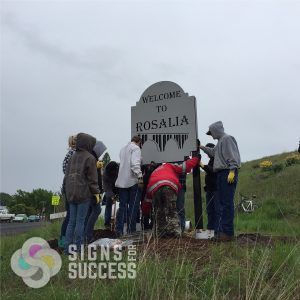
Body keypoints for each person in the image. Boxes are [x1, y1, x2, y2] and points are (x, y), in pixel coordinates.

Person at [200, 121, 241, 241]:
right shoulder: (220, 142)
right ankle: (222, 232)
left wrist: (232, 170)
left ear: (216, 130)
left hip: (226, 173)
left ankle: (227, 233)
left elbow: (232, 156)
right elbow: (213, 152)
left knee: (226, 203)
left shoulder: (227, 139)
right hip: (221, 174)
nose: (211, 135)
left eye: (211, 132)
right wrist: (201, 147)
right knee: (222, 203)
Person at [145, 156, 200, 238]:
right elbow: (185, 167)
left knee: (159, 212)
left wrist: (145, 211)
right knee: (172, 211)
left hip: (154, 188)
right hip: (169, 186)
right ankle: (175, 233)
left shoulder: (154, 172)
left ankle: (160, 233)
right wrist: (196, 159)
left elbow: (147, 199)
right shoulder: (169, 166)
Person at [64, 133, 100, 253]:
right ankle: (78, 249)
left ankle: (67, 249)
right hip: (83, 194)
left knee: (71, 222)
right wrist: (96, 193)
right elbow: (92, 179)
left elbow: (67, 176)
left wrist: (67, 192)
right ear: (88, 143)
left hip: (71, 194)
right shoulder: (89, 157)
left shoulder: (72, 157)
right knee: (80, 222)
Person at [115, 136, 143, 237]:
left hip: (122, 182)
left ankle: (119, 231)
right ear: (139, 142)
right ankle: (131, 232)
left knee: (122, 207)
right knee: (133, 207)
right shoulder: (136, 148)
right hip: (132, 181)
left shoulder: (123, 149)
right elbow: (134, 164)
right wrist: (140, 177)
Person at [85, 140, 107, 243]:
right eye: (101, 151)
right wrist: (97, 192)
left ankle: (86, 235)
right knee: (96, 210)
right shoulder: (92, 158)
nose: (102, 153)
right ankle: (88, 235)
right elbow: (92, 177)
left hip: (93, 190)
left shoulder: (94, 158)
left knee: (89, 212)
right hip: (92, 191)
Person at [59, 134, 77, 248]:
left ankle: (63, 239)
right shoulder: (75, 154)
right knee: (72, 216)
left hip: (67, 186)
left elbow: (64, 170)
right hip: (74, 187)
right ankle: (67, 241)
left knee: (69, 215)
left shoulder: (68, 154)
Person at [199, 143, 217, 238]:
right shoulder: (211, 159)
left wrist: (201, 165)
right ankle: (210, 232)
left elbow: (212, 170)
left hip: (215, 190)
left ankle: (215, 232)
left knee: (214, 211)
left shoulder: (217, 159)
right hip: (210, 189)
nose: (206, 153)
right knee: (210, 211)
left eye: (207, 151)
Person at [102, 161, 119, 229]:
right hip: (110, 188)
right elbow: (106, 187)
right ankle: (107, 224)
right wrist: (112, 196)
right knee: (108, 204)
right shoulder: (105, 174)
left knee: (123, 204)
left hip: (119, 186)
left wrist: (118, 193)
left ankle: (120, 223)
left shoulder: (119, 169)